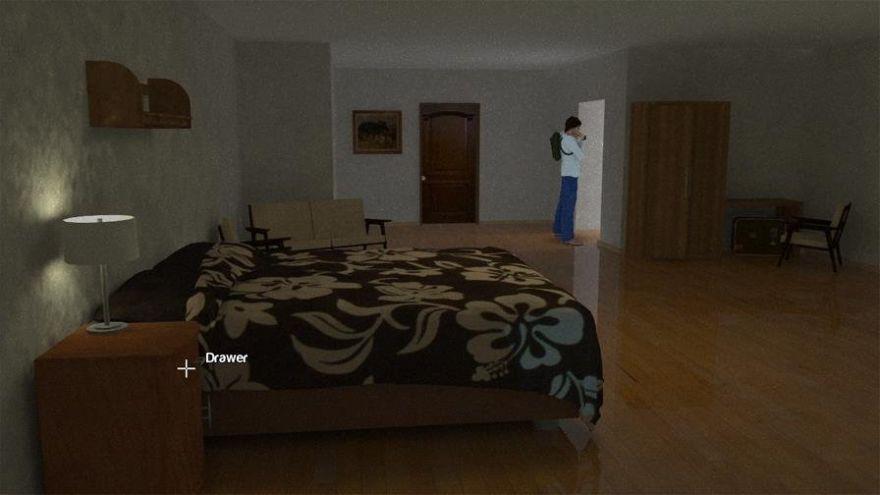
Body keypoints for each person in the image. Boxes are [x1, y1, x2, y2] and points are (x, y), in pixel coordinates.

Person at [553, 116, 586, 246]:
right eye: (577, 128)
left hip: (565, 174)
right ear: (572, 128)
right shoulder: (570, 140)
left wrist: (578, 139)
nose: (579, 130)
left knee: (563, 203)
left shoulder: (562, 136)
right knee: (569, 206)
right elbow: (581, 156)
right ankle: (567, 237)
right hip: (571, 176)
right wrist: (582, 139)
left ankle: (558, 229)